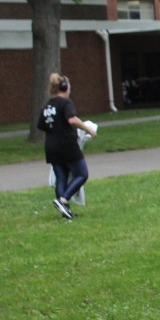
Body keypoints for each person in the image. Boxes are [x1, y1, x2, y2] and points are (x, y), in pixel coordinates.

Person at [37, 73, 97, 220]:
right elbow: (72, 119)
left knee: (61, 178)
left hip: (51, 147)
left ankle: (65, 212)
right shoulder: (65, 103)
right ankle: (63, 201)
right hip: (67, 145)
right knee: (82, 174)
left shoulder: (47, 106)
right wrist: (88, 129)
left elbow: (41, 125)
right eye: (69, 85)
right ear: (64, 87)